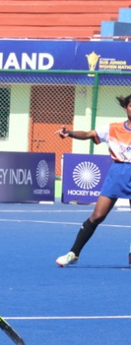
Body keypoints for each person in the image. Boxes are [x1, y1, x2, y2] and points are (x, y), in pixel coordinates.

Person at [53, 93, 131, 266]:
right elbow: (89, 133)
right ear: (126, 108)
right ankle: (73, 253)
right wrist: (70, 133)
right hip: (117, 174)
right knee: (97, 215)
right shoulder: (113, 128)